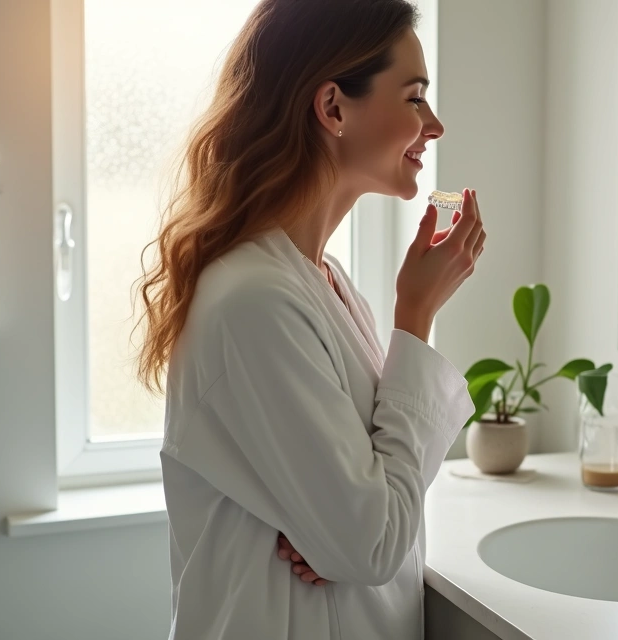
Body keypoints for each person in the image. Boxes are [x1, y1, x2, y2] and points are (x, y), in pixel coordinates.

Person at [134, 1, 484, 637]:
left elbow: (362, 520)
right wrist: (416, 315)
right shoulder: (254, 301)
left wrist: (335, 533)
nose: (434, 125)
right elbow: (371, 542)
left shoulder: (326, 284)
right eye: (414, 98)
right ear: (333, 108)